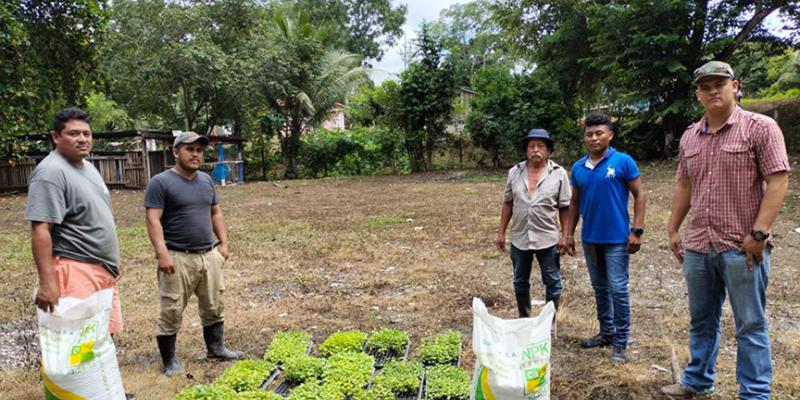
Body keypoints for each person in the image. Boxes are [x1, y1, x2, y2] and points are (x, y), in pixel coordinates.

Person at [661, 61, 789, 399]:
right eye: (705, 86)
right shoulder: (690, 135)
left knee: (750, 324)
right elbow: (684, 185)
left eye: (720, 83)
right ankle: (698, 381)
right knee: (701, 320)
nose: (713, 90)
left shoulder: (760, 128)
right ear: (698, 94)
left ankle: (755, 393)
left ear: (735, 85)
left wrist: (759, 234)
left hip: (742, 247)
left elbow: (778, 180)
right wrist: (674, 228)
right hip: (700, 245)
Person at [144, 132, 242, 376]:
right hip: (178, 256)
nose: (195, 154)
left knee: (214, 304)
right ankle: (170, 361)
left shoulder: (206, 181)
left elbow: (215, 213)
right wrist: (162, 253)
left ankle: (216, 348)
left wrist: (224, 244)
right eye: (190, 149)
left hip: (209, 255)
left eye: (199, 150)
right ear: (175, 152)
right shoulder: (161, 182)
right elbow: (153, 220)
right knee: (172, 309)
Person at [25, 107, 124, 333]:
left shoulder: (88, 167)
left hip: (101, 268)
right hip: (75, 268)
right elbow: (40, 229)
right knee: (77, 343)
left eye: (86, 134)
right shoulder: (50, 173)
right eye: (73, 134)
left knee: (101, 340)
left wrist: (111, 258)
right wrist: (47, 283)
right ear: (56, 137)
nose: (82, 139)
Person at [563, 113, 646, 363]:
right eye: (589, 134)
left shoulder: (623, 162)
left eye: (599, 133)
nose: (594, 137)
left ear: (610, 135)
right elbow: (574, 203)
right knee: (600, 289)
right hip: (591, 239)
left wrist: (637, 230)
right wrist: (567, 234)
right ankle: (606, 333)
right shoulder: (578, 167)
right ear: (584, 137)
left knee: (618, 290)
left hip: (618, 240)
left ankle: (621, 342)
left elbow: (640, 195)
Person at [496, 129, 571, 321]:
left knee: (552, 281)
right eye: (531, 146)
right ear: (526, 150)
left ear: (548, 151)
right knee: (520, 280)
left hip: (547, 237)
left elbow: (564, 207)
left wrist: (565, 236)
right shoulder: (514, 172)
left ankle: (549, 321)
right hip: (520, 236)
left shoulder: (559, 173)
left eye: (540, 146)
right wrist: (501, 232)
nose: (535, 150)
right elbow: (508, 202)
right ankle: (524, 317)